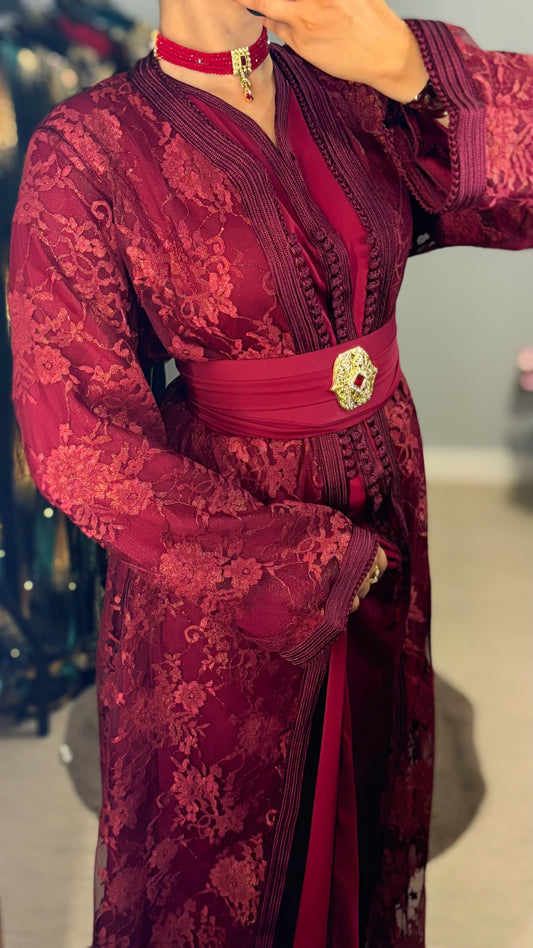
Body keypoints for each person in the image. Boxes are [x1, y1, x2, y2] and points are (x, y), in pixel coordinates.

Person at [7, 1, 532, 945]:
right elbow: (76, 438)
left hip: (386, 491)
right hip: (226, 550)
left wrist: (410, 65)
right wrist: (293, 562)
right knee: (228, 858)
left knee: (366, 810)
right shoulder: (88, 147)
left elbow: (518, 194)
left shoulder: (350, 89)